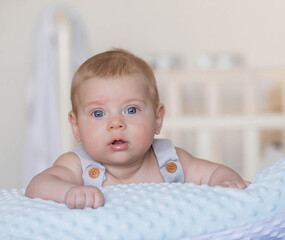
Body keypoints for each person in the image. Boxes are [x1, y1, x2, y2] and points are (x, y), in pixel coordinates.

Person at [25, 49, 250, 209]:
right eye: (98, 113)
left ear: (157, 118)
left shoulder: (169, 161)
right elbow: (37, 186)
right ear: (76, 126)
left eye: (131, 110)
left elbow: (216, 173)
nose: (116, 123)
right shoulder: (78, 165)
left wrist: (225, 184)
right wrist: (69, 192)